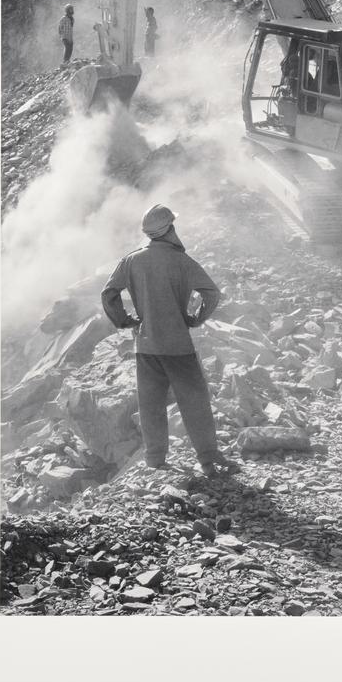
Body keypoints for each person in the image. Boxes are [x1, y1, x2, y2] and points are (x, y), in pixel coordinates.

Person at [101, 203, 238, 477]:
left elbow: (108, 294)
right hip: (178, 346)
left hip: (147, 347)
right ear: (169, 229)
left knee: (151, 404)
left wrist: (126, 320)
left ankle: (155, 459)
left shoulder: (131, 261)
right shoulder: (182, 261)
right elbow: (211, 293)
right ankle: (208, 459)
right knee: (194, 401)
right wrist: (196, 318)